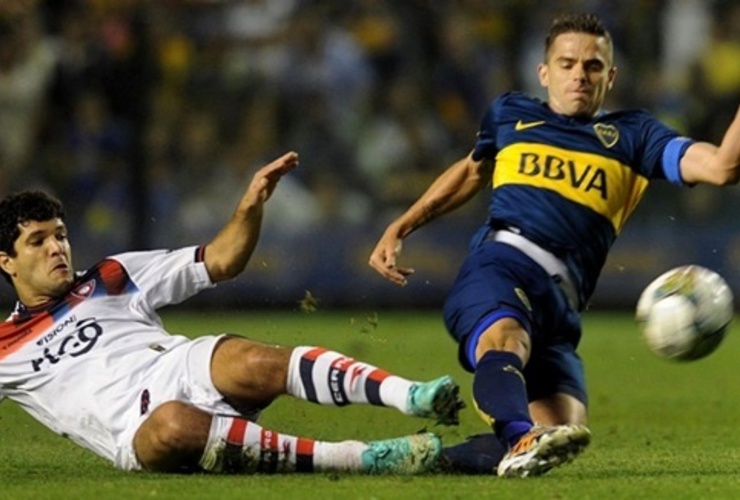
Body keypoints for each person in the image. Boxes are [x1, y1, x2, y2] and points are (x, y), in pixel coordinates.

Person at [369, 13, 740, 477]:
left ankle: (421, 458)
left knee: (561, 431)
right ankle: (517, 433)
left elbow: (723, 168)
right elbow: (471, 171)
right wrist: (401, 225)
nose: (579, 76)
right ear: (544, 72)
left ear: (611, 76)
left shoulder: (636, 136)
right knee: (505, 340)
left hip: (560, 305)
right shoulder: (510, 114)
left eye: (592, 66)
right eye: (566, 64)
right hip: (502, 263)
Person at [0, 151, 464, 474]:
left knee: (251, 359)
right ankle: (356, 458)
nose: (56, 248)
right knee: (172, 425)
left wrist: (250, 207)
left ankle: (412, 395)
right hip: (136, 428)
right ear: (7, 262)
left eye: (58, 234)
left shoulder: (112, 275)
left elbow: (221, 260)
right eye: (37, 242)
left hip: (176, 365)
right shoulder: (5, 348)